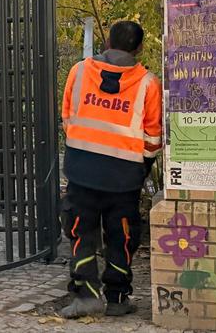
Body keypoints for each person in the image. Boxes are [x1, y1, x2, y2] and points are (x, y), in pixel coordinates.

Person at [58, 21, 162, 318]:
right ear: (139, 49)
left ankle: (86, 296)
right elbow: (153, 137)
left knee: (80, 232)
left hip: (81, 170)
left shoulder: (79, 72)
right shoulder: (148, 83)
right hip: (124, 178)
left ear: (106, 42)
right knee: (122, 236)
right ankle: (117, 298)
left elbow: (67, 117)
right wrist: (141, 167)